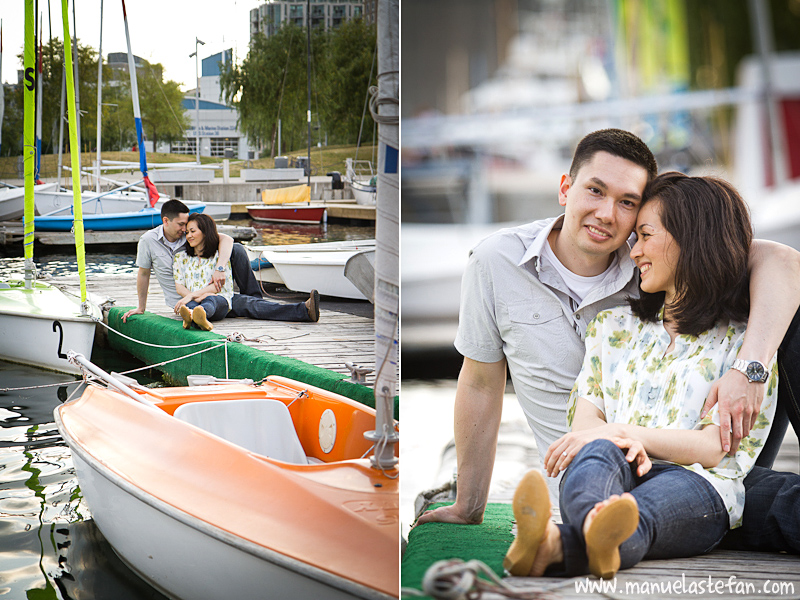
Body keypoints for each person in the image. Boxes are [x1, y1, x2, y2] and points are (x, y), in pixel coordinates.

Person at [414, 129, 800, 549]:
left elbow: (781, 260)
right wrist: (469, 504)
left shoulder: (656, 265)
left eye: (627, 203)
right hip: (596, 465)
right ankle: (587, 539)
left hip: (708, 456)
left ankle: (580, 542)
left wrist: (751, 368)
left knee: (788, 321)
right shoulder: (497, 262)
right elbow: (479, 382)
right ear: (566, 188)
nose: (606, 213)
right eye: (595, 191)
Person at [504, 172, 776, 579]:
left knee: (638, 510)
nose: (635, 252)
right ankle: (584, 536)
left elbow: (713, 448)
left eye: (646, 236)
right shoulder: (612, 327)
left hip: (697, 484)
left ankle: (555, 543)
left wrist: (628, 434)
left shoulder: (747, 346)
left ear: (693, 239)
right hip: (612, 470)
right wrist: (616, 440)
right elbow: (586, 424)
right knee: (596, 451)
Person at [122, 199, 319, 324]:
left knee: (239, 254)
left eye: (189, 228)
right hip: (184, 302)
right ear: (166, 221)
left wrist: (220, 268)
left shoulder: (190, 237)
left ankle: (303, 309)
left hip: (216, 295)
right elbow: (144, 273)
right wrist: (141, 307)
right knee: (209, 303)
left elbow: (227, 240)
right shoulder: (149, 242)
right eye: (182, 225)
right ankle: (197, 316)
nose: (185, 231)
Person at [173, 213, 320, 330]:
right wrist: (194, 297)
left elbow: (218, 286)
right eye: (187, 232)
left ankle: (305, 310)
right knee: (192, 305)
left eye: (193, 231)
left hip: (222, 298)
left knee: (250, 304)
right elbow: (179, 286)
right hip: (196, 300)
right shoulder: (181, 257)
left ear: (205, 232)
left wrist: (197, 295)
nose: (189, 236)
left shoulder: (221, 255)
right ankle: (195, 317)